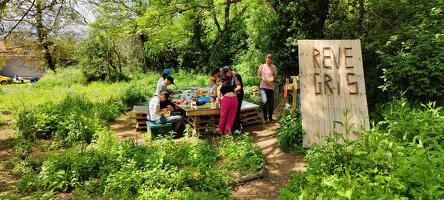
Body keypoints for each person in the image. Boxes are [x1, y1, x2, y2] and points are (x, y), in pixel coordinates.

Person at [257, 53, 278, 122]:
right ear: (265, 59)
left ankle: (270, 117)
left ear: (271, 60)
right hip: (263, 86)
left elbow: (276, 75)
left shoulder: (274, 67)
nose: (268, 60)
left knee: (271, 103)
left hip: (271, 87)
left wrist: (273, 78)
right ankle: (265, 118)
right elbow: (258, 76)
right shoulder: (262, 66)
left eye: (270, 59)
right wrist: (264, 79)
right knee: (265, 101)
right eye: (267, 58)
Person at [223, 66, 243, 131]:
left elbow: (239, 87)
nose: (226, 75)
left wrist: (232, 91)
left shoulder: (236, 76)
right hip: (234, 96)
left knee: (236, 112)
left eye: (226, 73)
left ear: (229, 71)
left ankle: (238, 128)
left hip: (238, 96)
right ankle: (236, 127)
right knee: (233, 111)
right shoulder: (231, 76)